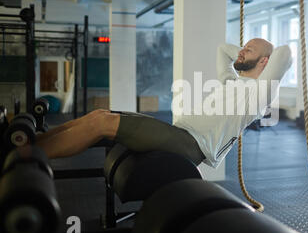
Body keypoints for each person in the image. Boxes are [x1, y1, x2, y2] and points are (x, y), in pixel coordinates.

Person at [33, 38, 292, 168]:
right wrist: (246, 50)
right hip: (178, 132)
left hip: (191, 144)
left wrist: (263, 52)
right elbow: (222, 50)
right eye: (244, 47)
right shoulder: (233, 83)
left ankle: (25, 158)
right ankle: (32, 142)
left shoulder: (260, 94)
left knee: (102, 123)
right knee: (99, 114)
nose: (242, 51)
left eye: (249, 50)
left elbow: (285, 53)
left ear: (265, 63)